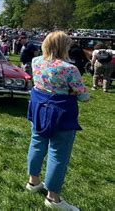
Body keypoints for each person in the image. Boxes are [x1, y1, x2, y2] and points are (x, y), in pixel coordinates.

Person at [26, 31, 89, 211]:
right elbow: (83, 96)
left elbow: (40, 82)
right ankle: (53, 198)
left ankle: (34, 181)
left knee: (36, 143)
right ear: (64, 47)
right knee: (58, 153)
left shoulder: (36, 61)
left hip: (39, 108)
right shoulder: (69, 69)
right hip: (61, 112)